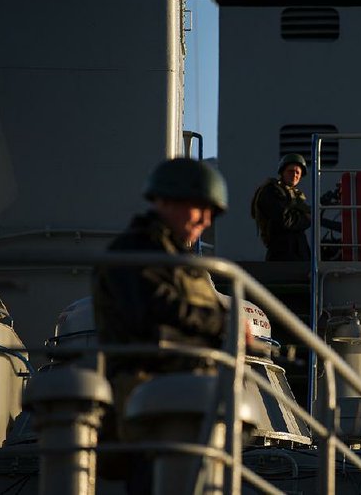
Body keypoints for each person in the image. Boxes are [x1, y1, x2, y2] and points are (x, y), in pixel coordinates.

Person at [93, 157, 230, 490]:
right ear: (166, 200)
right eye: (200, 208)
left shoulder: (179, 260)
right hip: (151, 402)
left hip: (191, 400)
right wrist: (221, 324)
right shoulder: (133, 251)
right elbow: (152, 312)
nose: (206, 220)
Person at [251, 153, 312, 261]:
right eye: (290, 171)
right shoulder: (271, 191)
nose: (294, 175)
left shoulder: (295, 195)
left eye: (297, 172)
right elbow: (285, 220)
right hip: (281, 254)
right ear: (282, 172)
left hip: (298, 254)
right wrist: (307, 218)